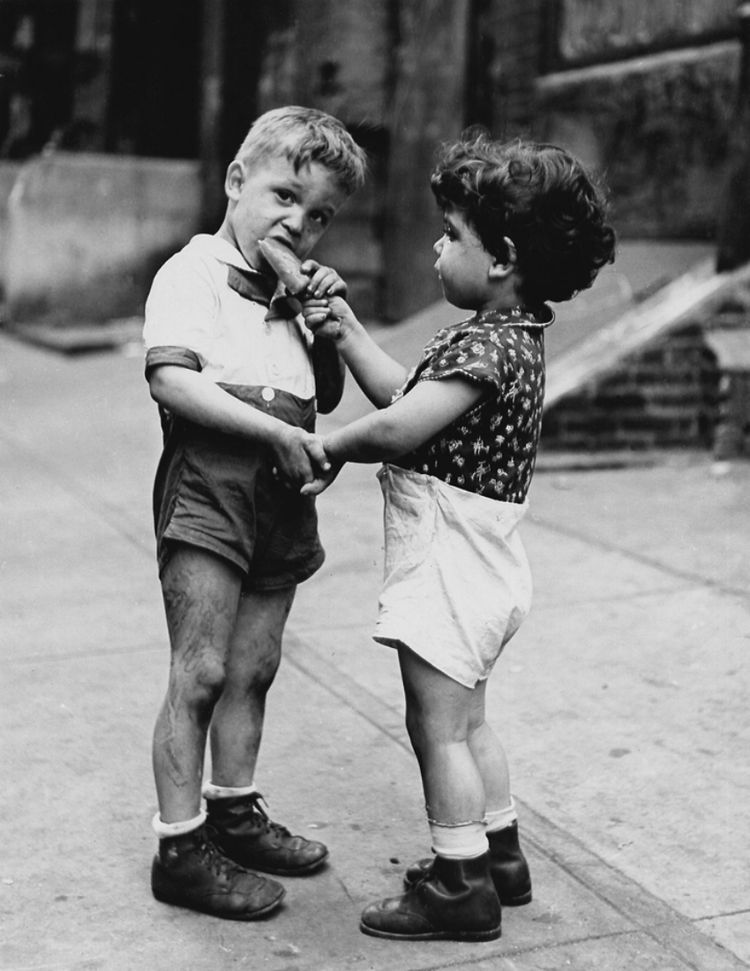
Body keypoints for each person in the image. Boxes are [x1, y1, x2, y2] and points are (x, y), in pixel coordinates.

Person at [301, 133, 616, 941]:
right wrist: (344, 328)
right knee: (472, 722)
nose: (437, 249)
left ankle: (458, 883)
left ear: (503, 256)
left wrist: (331, 445)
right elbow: (411, 396)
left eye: (451, 236)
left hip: (449, 561)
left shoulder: (483, 344)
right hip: (488, 562)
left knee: (435, 727)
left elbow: (402, 423)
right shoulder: (513, 338)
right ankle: (500, 852)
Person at [142, 105, 367, 920]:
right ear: (237, 182)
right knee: (199, 669)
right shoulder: (191, 273)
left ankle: (233, 811)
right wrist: (273, 430)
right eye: (283, 196)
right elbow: (172, 379)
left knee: (255, 665)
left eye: (319, 216)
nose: (297, 223)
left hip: (281, 494)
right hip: (212, 486)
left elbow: (326, 396)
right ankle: (179, 843)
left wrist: (326, 328)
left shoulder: (295, 290)